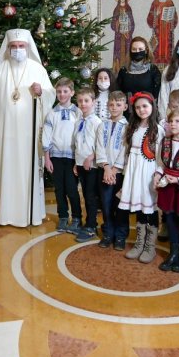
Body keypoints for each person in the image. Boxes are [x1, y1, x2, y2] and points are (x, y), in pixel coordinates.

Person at [0, 29, 55, 227]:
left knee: (27, 171)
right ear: (8, 48)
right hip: (5, 134)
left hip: (29, 135)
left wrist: (42, 92)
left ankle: (30, 214)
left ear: (28, 47)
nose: (18, 50)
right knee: (6, 172)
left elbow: (51, 94)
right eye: (14, 46)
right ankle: (4, 215)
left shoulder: (38, 69)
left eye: (21, 46)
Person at [121, 92, 162, 264]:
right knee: (138, 207)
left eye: (144, 106)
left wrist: (159, 173)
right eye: (137, 107)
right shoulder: (131, 128)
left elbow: (160, 155)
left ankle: (150, 246)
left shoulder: (158, 130)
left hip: (148, 172)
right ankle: (139, 243)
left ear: (152, 107)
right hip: (134, 170)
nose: (141, 110)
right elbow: (126, 151)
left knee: (150, 208)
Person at [155, 107, 179, 273]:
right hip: (167, 184)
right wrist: (157, 176)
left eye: (177, 121)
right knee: (169, 218)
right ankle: (173, 251)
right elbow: (160, 163)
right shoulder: (165, 141)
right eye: (170, 121)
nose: (173, 124)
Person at [43, 78, 82, 233]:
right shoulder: (52, 114)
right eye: (59, 92)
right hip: (56, 157)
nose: (62, 94)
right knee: (59, 189)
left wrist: (78, 159)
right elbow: (46, 136)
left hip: (72, 157)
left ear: (72, 92)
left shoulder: (78, 113)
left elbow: (81, 136)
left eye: (65, 91)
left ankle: (77, 217)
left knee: (72, 189)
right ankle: (63, 216)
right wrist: (47, 158)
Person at [95, 90, 129, 250]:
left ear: (125, 106)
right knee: (106, 204)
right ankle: (108, 233)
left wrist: (115, 169)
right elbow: (99, 147)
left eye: (118, 104)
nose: (114, 107)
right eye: (111, 104)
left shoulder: (128, 127)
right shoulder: (103, 125)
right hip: (105, 172)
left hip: (120, 173)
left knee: (120, 205)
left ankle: (121, 236)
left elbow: (125, 149)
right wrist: (107, 168)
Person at [72, 86, 102, 242]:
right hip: (80, 164)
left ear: (93, 102)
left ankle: (91, 225)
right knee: (85, 194)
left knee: (90, 196)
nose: (83, 104)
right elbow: (77, 144)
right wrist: (76, 163)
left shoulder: (97, 122)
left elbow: (101, 145)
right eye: (80, 101)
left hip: (91, 166)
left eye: (86, 101)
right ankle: (87, 223)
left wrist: (91, 158)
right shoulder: (78, 122)